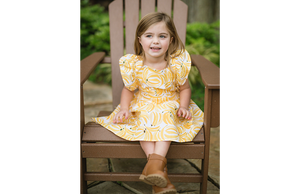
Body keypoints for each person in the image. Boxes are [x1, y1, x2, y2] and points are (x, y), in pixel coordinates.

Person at [92, 12, 204, 194]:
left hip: (170, 103)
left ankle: (154, 169)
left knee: (166, 115)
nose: (156, 41)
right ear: (140, 40)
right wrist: (125, 108)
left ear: (171, 40)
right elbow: (129, 89)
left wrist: (183, 106)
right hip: (144, 103)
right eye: (149, 36)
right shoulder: (135, 64)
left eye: (162, 36)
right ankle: (158, 174)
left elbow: (184, 89)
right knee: (143, 119)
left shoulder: (175, 64)